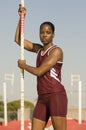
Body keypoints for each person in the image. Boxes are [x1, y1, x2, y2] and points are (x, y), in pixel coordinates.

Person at [15, 5, 68, 130]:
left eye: (48, 32)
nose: (44, 35)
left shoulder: (56, 51)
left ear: (53, 35)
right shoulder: (38, 49)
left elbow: (40, 72)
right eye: (42, 32)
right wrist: (22, 18)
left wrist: (24, 65)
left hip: (56, 96)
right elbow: (19, 40)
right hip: (42, 98)